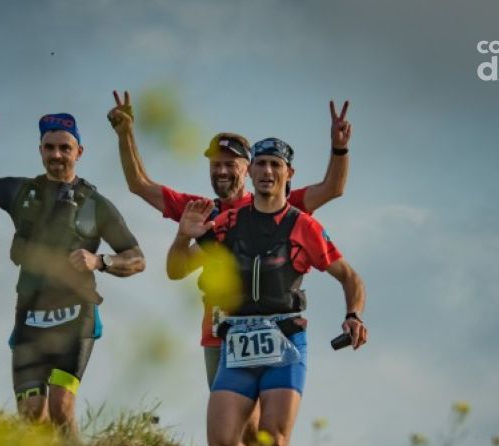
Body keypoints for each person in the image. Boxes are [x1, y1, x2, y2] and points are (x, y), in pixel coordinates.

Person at [107, 91, 352, 388]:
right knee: (226, 417)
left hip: (273, 327)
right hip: (218, 329)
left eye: (229, 164)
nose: (221, 171)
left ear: (246, 169)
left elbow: (332, 188)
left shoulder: (280, 203)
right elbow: (140, 185)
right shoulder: (201, 211)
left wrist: (339, 149)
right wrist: (125, 133)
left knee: (267, 419)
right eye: (215, 164)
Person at [167, 137, 367, 446]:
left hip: (285, 344)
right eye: (261, 163)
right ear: (251, 171)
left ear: (288, 173)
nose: (267, 171)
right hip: (236, 342)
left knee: (273, 444)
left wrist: (353, 315)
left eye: (276, 164)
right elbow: (177, 270)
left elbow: (349, 277)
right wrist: (183, 237)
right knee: (222, 445)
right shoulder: (229, 224)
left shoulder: (303, 225)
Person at [0, 112, 145, 434]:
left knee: (61, 408)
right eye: (49, 147)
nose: (56, 155)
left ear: (80, 152)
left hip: (76, 314)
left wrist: (100, 261)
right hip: (30, 313)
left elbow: (137, 259)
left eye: (65, 148)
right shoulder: (20, 192)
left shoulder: (97, 204)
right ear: (40, 150)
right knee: (31, 413)